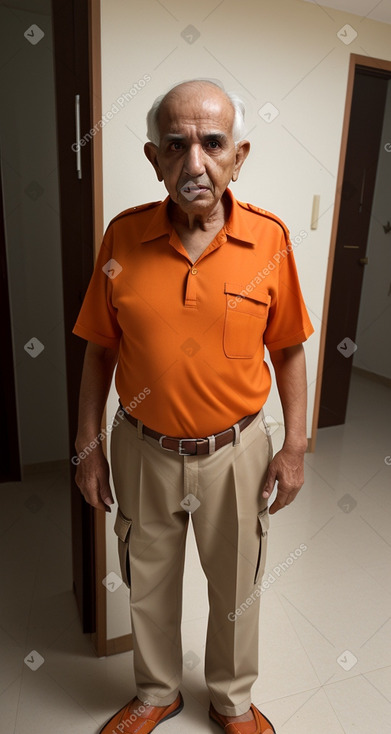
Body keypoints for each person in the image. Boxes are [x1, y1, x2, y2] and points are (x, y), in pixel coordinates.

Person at [73, 79, 314, 734]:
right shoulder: (122, 239)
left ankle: (230, 700)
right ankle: (155, 692)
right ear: (154, 159)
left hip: (237, 452)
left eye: (212, 144)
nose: (195, 163)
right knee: (145, 582)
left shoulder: (268, 241)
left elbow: (288, 350)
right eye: (176, 146)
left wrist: (293, 447)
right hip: (142, 445)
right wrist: (88, 447)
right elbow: (98, 350)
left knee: (237, 586)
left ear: (238, 155)